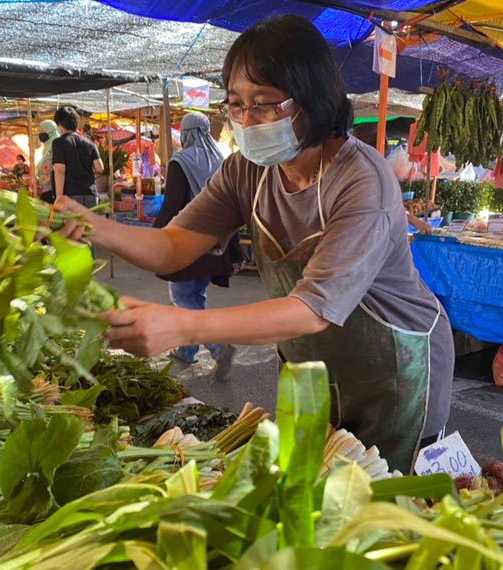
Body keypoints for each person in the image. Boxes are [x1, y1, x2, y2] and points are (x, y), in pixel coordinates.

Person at [57, 15, 454, 473]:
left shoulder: (361, 179)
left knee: (390, 510)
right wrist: (92, 226)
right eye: (236, 106)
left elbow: (311, 309)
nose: (247, 121)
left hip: (395, 370)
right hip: (311, 368)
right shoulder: (247, 170)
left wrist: (184, 326)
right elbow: (173, 246)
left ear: (311, 99)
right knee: (309, 494)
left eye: (264, 105)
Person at [153, 111, 240, 379]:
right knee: (195, 297)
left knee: (181, 298)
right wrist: (235, 251)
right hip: (215, 246)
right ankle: (187, 351)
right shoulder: (221, 162)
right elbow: (232, 210)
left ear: (186, 134)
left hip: (186, 245)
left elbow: (171, 206)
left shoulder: (180, 162)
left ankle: (218, 346)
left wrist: (152, 238)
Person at [51, 106, 103, 209]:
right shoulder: (89, 142)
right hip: (91, 194)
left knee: (73, 225)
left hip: (71, 195)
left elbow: (60, 170)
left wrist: (59, 197)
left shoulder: (58, 143)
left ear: (60, 125)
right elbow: (100, 168)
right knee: (89, 224)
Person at [36, 119, 60, 202]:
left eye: (42, 131)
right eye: (40, 131)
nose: (40, 133)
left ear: (50, 131)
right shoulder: (47, 146)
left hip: (53, 188)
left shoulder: (55, 144)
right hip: (48, 188)